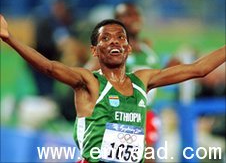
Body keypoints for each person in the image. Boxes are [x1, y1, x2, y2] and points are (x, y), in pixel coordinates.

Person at [0, 15, 225, 162]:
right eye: (105, 38)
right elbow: (49, 67)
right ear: (95, 51)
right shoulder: (88, 82)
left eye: (120, 37)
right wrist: (9, 39)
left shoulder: (142, 81)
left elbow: (199, 69)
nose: (114, 41)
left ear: (128, 48)